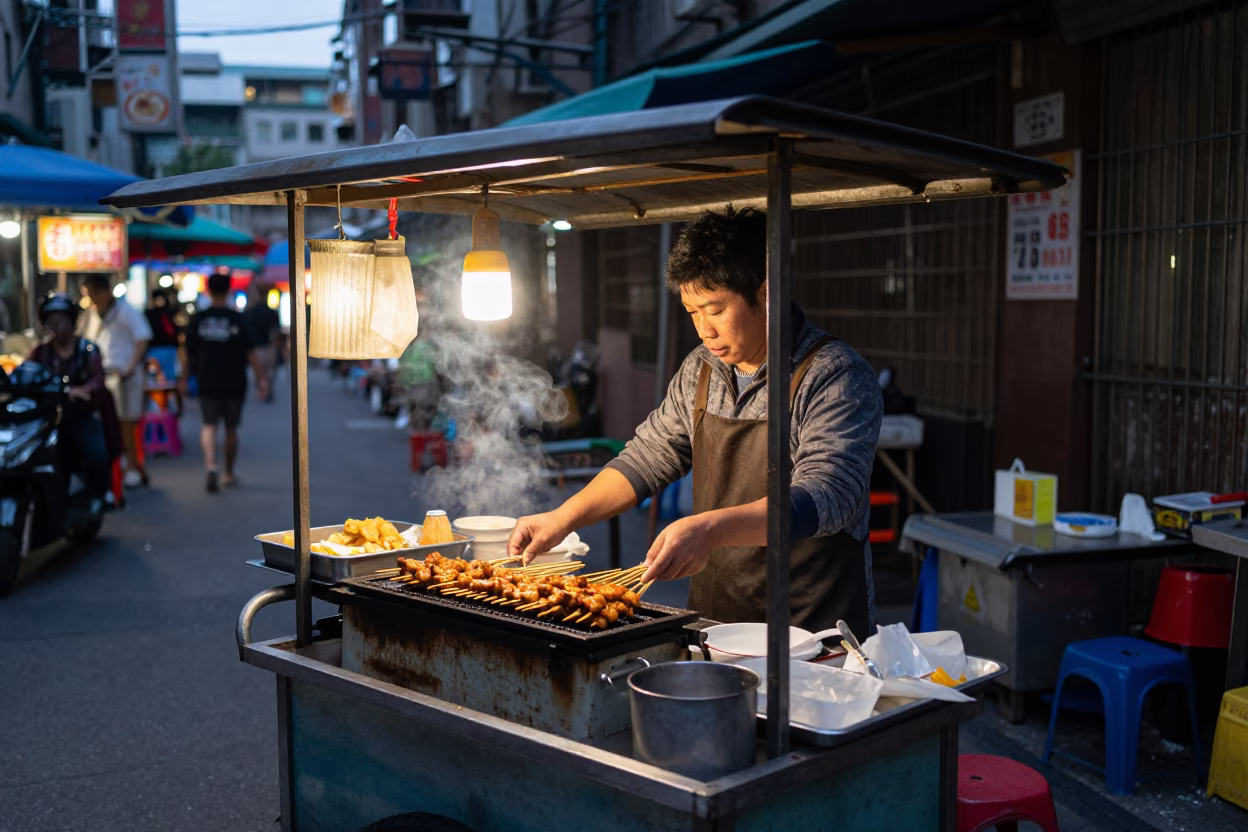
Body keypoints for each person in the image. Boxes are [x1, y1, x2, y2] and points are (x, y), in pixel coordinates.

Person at [508, 207, 883, 634]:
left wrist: (708, 529)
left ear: (767, 295)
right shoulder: (700, 369)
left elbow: (827, 495)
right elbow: (648, 457)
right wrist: (563, 518)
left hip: (816, 630)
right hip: (718, 624)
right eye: (692, 312)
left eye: (715, 309)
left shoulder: (834, 374)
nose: (704, 329)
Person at [184, 273, 269, 492]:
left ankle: (211, 465)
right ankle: (228, 473)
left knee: (209, 425)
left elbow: (186, 353)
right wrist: (262, 380)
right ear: (229, 290)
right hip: (234, 381)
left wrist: (183, 380)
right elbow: (251, 353)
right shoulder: (238, 319)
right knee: (231, 428)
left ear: (209, 291)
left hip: (206, 379)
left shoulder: (199, 319)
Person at [28, 294, 113, 507]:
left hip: (79, 415)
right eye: (52, 321)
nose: (57, 326)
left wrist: (82, 390)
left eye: (62, 320)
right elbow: (25, 373)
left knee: (97, 455)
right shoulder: (40, 352)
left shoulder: (87, 350)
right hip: (47, 417)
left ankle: (99, 494)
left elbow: (98, 379)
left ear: (72, 321)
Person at [81, 274, 152, 488]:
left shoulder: (126, 311)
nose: (92, 298)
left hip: (125, 374)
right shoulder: (91, 315)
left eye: (93, 293)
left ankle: (132, 467)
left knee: (127, 423)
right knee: (108, 423)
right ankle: (119, 465)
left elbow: (143, 338)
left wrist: (131, 366)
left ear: (104, 291)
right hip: (101, 376)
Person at [241, 284, 280, 403]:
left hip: (255, 347)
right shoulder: (272, 312)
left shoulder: (249, 312)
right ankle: (266, 389)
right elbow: (275, 332)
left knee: (258, 371)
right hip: (269, 346)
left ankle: (262, 389)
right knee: (268, 371)